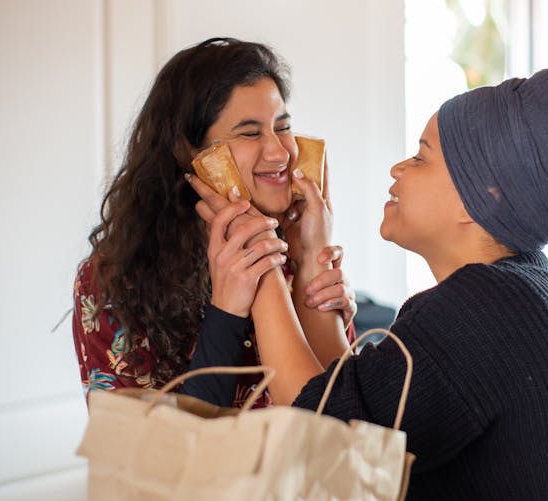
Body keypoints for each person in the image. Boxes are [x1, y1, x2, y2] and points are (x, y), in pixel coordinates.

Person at [186, 53, 548, 499]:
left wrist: (258, 254)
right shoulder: (517, 295)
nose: (398, 168)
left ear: (482, 196)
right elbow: (364, 418)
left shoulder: (483, 310)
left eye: (421, 157)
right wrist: (310, 254)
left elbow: (325, 431)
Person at [71, 37, 357, 408]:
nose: (279, 152)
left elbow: (344, 421)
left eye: (282, 127)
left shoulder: (293, 252)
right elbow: (158, 455)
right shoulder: (113, 280)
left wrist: (311, 268)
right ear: (188, 152)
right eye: (251, 133)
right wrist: (226, 312)